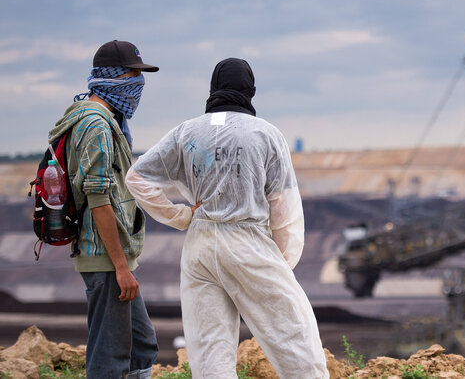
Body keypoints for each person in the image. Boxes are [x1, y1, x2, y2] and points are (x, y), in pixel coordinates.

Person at [125, 58, 328, 378]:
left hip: (200, 247)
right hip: (248, 242)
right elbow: (283, 206)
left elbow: (136, 178)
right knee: (295, 337)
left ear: (213, 89)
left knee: (209, 351)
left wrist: (180, 216)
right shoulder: (265, 134)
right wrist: (281, 265)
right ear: (250, 90)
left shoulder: (185, 131)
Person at [48, 40, 159, 378]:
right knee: (109, 357)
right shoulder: (96, 125)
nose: (138, 84)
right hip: (105, 256)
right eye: (132, 74)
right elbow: (98, 200)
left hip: (113, 257)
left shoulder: (104, 120)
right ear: (111, 77)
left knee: (142, 346)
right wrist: (121, 267)